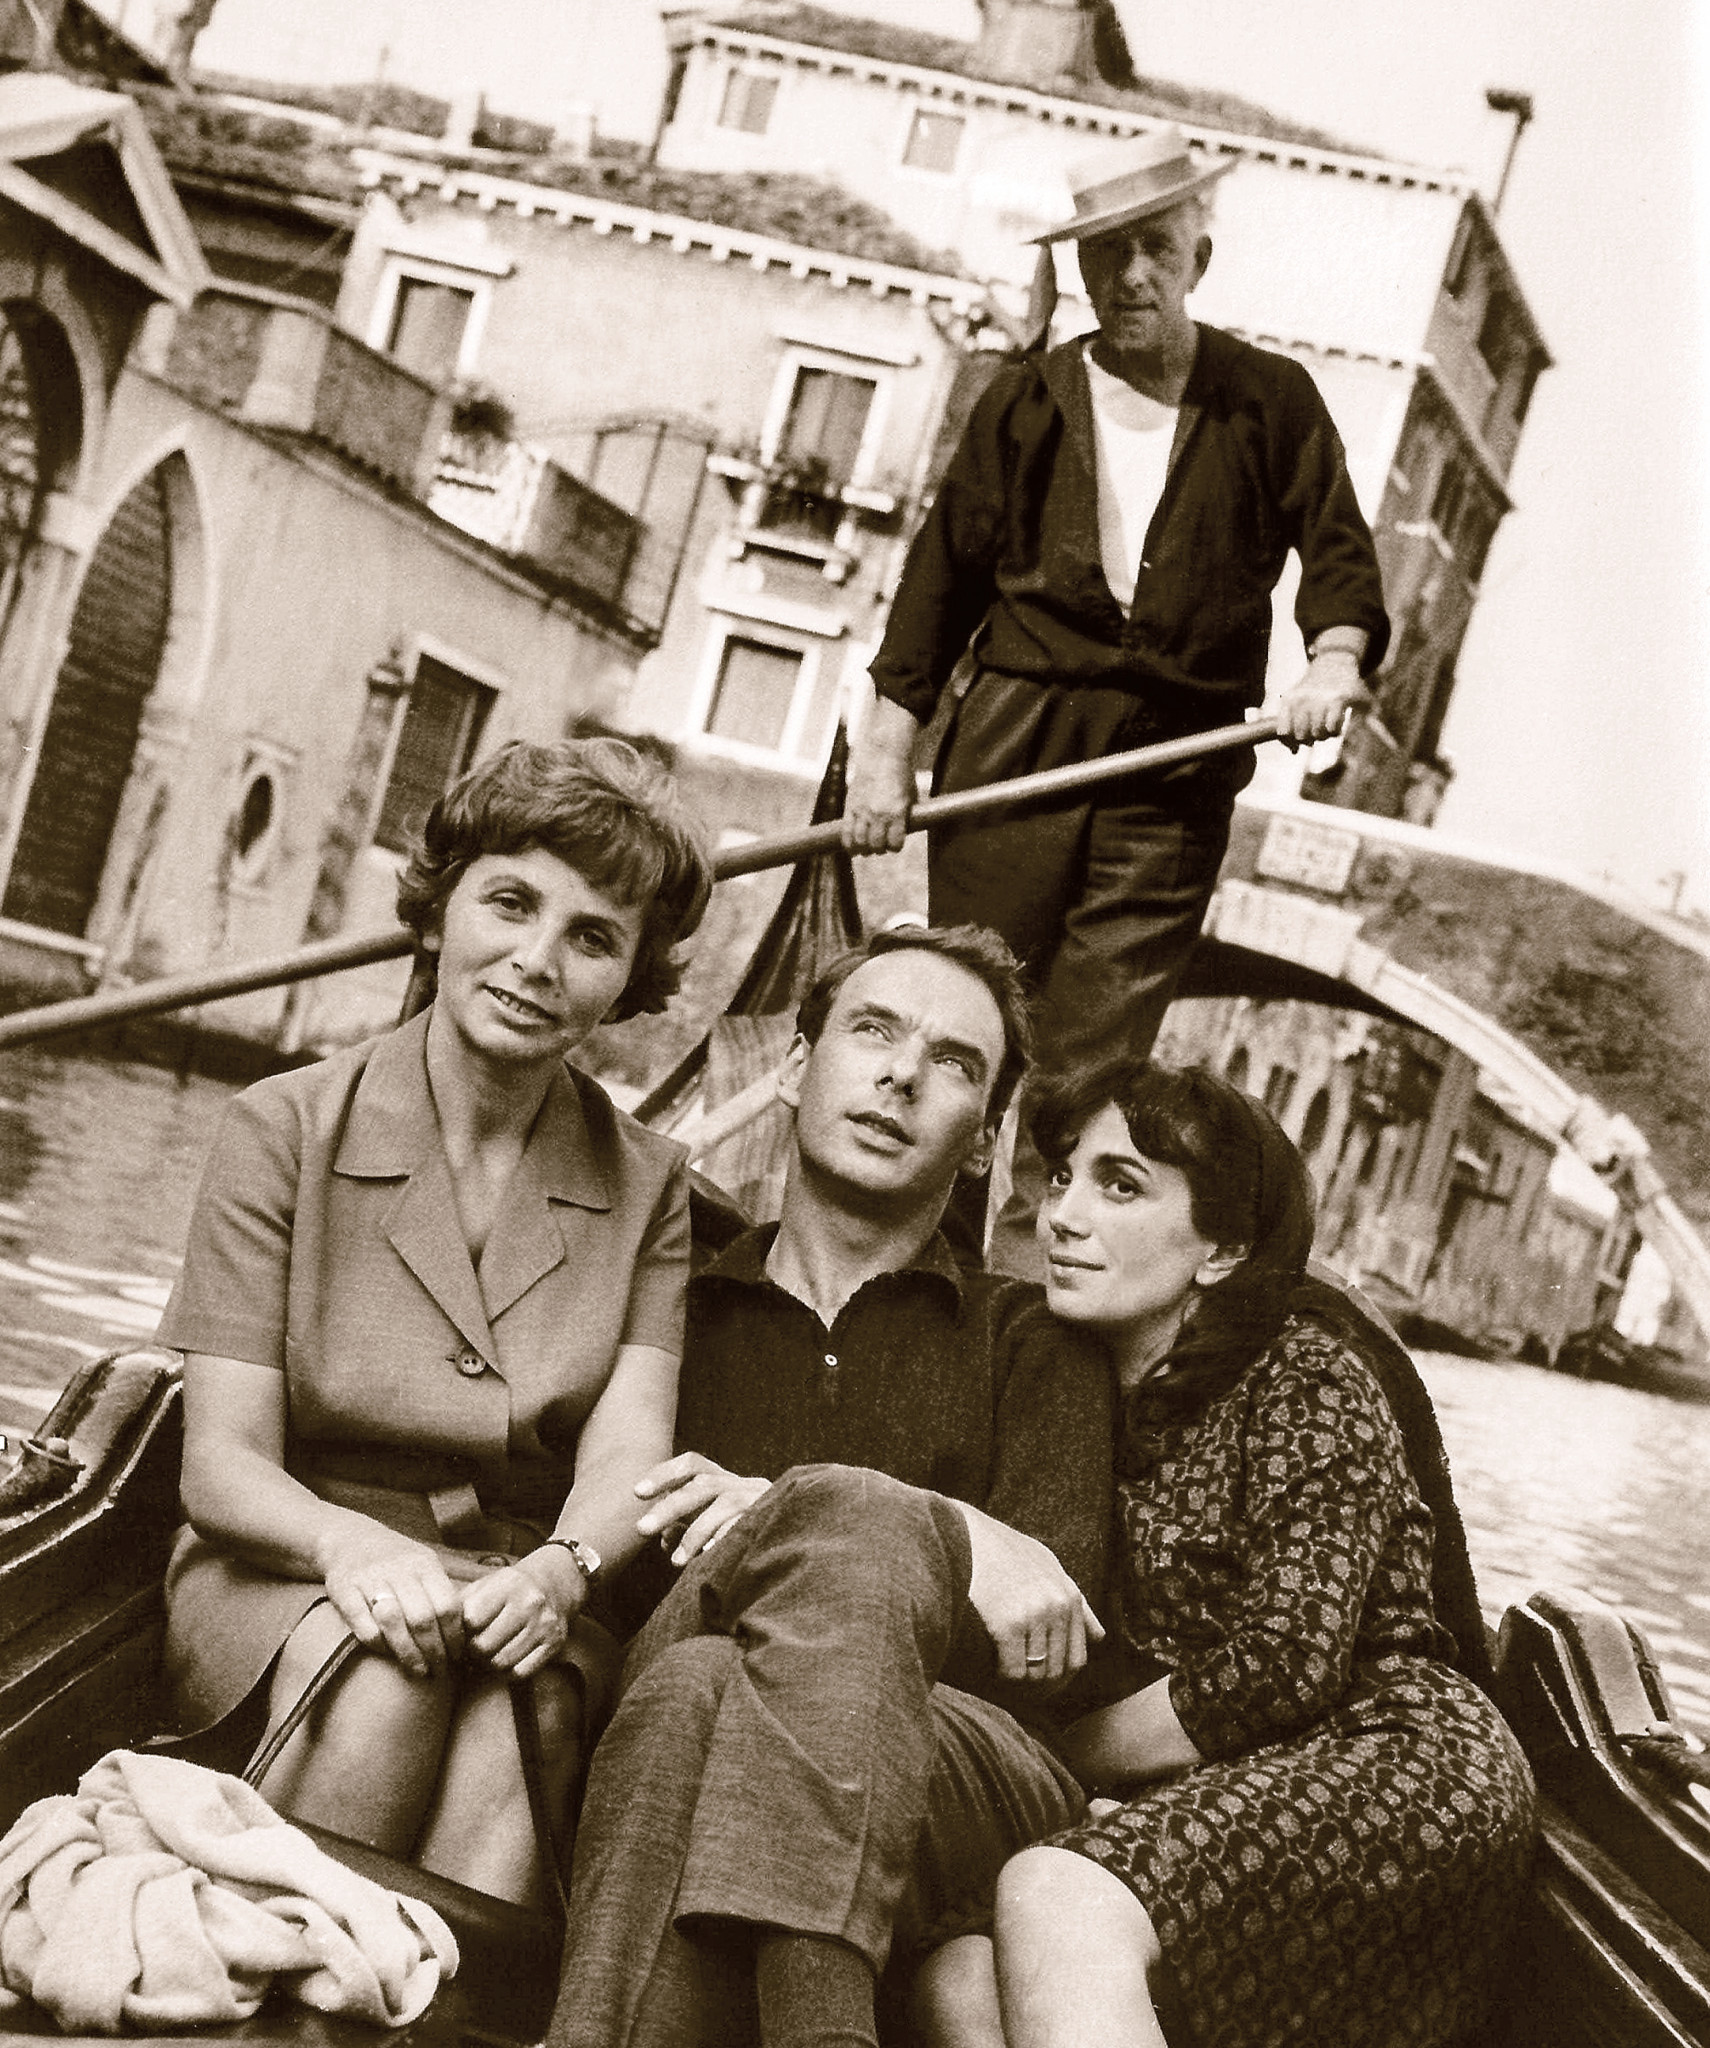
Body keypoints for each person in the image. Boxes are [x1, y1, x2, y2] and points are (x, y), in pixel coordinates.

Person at [155, 737, 712, 1907]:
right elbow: (222, 1465)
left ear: (629, 979)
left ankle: (417, 1994)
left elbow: (629, 1451)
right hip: (284, 1563)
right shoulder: (279, 1127)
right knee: (390, 1673)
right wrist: (349, 1548)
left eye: (592, 936)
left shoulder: (652, 1182)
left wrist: (563, 1571)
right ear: (441, 907)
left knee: (532, 1708)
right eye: (510, 902)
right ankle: (284, 1969)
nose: (536, 960)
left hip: (520, 1581)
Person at [547, 924, 1118, 2048]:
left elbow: (1046, 1639)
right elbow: (615, 1589)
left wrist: (792, 1511)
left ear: (981, 1143)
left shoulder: (1033, 1340)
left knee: (727, 1669)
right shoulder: (675, 1317)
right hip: (674, 1694)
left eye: (953, 1062)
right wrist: (909, 1527)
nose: (902, 1075)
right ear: (796, 1068)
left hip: (964, 1768)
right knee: (700, 1678)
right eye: (873, 1031)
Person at [844, 125, 1390, 1271]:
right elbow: (939, 581)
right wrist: (886, 756)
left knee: (1088, 1064)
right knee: (971, 1026)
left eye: (1155, 249)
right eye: (1106, 253)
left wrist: (1333, 660)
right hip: (1016, 753)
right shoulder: (1024, 401)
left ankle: (1017, 1300)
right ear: (1080, 266)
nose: (1131, 276)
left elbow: (1338, 552)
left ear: (1200, 257)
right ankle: (911, 1275)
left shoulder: (1272, 402)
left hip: (1174, 777)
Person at [913, 1060, 1536, 2048]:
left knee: (1055, 1892)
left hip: (1396, 1757)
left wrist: (1056, 1764)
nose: (1063, 1216)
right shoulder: (1065, 1382)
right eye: (1064, 1178)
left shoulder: (1304, 1368)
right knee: (956, 1981)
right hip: (1229, 1786)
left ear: (1224, 1247)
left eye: (1121, 1186)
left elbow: (1285, 1664)